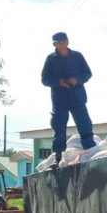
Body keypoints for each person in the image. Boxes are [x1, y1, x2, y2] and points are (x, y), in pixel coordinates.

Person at [40, 32, 96, 166]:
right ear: (54, 44)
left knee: (84, 124)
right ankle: (58, 158)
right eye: (58, 43)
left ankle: (91, 152)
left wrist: (76, 80)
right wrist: (59, 82)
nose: (61, 45)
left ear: (68, 41)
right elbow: (45, 79)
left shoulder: (77, 56)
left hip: (77, 97)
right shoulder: (51, 59)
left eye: (63, 41)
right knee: (59, 128)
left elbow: (87, 73)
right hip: (60, 100)